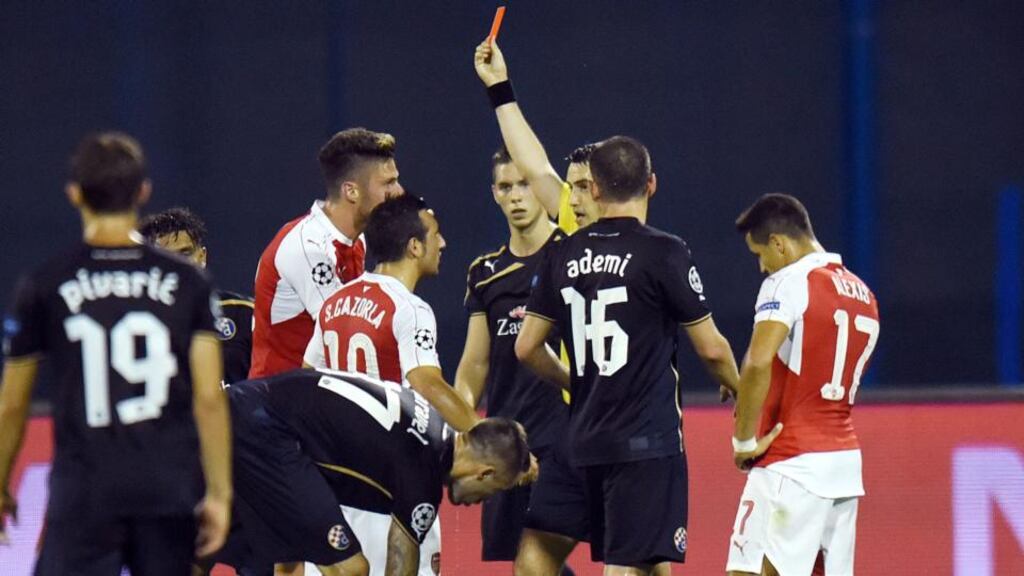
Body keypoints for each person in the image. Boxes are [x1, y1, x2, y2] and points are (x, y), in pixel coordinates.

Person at [0, 133, 231, 574]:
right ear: (143, 191)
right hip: (166, 488)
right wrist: (219, 494)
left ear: (74, 194)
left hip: (84, 490)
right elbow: (208, 399)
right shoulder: (188, 282)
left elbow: (12, 403)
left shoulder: (46, 283)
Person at [515, 136, 740, 575]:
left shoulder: (563, 252)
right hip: (644, 442)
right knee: (628, 563)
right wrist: (739, 387)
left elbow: (526, 346)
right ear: (651, 184)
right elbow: (712, 349)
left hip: (581, 438)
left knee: (635, 558)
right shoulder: (663, 251)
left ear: (595, 189)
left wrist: (576, 382)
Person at [303, 193, 478, 576]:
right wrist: (484, 436)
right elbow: (427, 384)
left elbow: (308, 376)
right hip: (393, 485)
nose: (443, 243)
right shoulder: (409, 308)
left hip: (337, 487)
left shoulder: (333, 303)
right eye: (435, 234)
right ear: (414, 246)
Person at [214, 368, 530, 576]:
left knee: (263, 558)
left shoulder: (429, 419)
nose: (481, 502)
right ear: (485, 473)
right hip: (265, 433)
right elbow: (400, 563)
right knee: (350, 569)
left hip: (248, 411)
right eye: (495, 491)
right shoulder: (424, 474)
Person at [726, 194, 879, 576]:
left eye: (760, 254)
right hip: (844, 467)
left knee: (744, 572)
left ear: (779, 243)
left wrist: (743, 442)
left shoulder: (788, 282)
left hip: (791, 463)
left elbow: (758, 360)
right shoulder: (864, 294)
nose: (762, 266)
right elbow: (813, 365)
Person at [454, 146, 578, 571]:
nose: (517, 196)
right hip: (507, 445)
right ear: (494, 194)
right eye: (506, 187)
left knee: (534, 560)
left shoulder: (573, 254)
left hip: (564, 439)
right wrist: (468, 431)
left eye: (525, 184)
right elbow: (475, 364)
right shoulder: (485, 273)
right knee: (526, 564)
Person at [251, 128, 403, 378]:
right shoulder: (307, 248)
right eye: (388, 183)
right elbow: (344, 332)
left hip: (320, 389)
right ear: (351, 191)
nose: (399, 192)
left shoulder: (357, 239)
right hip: (279, 397)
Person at [139, 207, 254, 385]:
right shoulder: (137, 323)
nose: (179, 264)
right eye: (166, 257)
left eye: (186, 253)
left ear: (202, 256)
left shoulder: (245, 315)